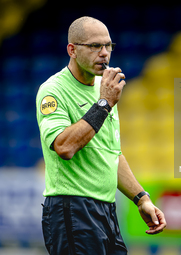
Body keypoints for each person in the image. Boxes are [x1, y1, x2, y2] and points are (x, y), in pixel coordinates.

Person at [36, 16, 166, 255]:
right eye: (95, 46)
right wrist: (104, 104)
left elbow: (111, 154)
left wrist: (141, 199)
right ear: (72, 50)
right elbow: (64, 147)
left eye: (108, 46)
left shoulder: (104, 90)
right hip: (72, 209)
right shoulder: (53, 90)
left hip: (106, 210)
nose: (104, 53)